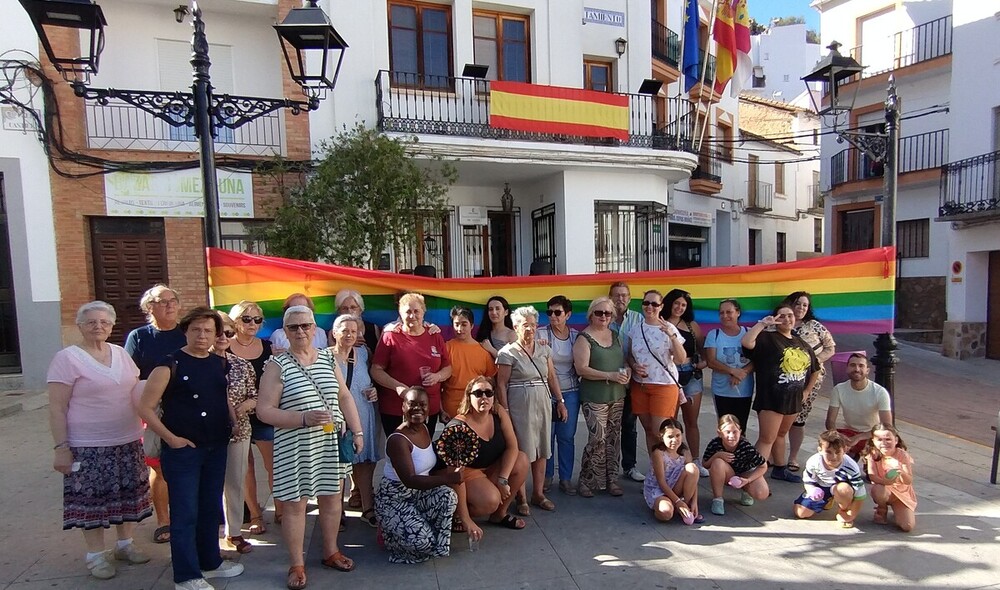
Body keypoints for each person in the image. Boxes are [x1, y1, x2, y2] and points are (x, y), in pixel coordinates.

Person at [256, 305, 364, 589]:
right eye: (294, 327)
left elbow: (344, 397)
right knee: (295, 506)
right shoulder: (277, 365)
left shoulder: (328, 359)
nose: (301, 331)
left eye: (305, 326)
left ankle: (331, 551)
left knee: (331, 499)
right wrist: (302, 418)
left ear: (315, 329)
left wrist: (358, 430)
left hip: (329, 443)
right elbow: (264, 411)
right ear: (285, 332)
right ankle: (296, 564)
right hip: (295, 446)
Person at [137, 307, 245, 590]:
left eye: (209, 330)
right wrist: (171, 439)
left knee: (210, 507)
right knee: (185, 512)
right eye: (196, 329)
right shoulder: (168, 364)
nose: (202, 335)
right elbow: (145, 408)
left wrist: (232, 421)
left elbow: (221, 397)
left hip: (215, 446)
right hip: (184, 450)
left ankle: (210, 562)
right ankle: (186, 575)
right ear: (185, 331)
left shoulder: (217, 362)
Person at [47, 301, 152, 580]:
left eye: (105, 322)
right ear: (80, 326)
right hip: (87, 445)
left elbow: (137, 390)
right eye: (92, 322)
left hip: (128, 439)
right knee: (91, 501)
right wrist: (61, 448)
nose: (99, 327)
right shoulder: (67, 359)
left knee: (127, 495)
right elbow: (56, 407)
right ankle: (95, 555)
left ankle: (125, 545)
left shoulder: (120, 353)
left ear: (112, 325)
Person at [124, 284, 185, 544]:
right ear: (150, 307)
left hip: (186, 406)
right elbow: (129, 373)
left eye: (173, 300)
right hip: (153, 409)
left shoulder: (187, 333)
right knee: (158, 468)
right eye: (162, 301)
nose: (170, 305)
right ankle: (163, 521)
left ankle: (188, 518)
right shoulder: (139, 336)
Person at [374, 387, 461, 564]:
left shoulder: (423, 429)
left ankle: (432, 543)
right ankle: (392, 536)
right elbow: (410, 480)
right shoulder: (398, 439)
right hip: (395, 498)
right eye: (412, 404)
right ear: (403, 407)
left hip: (418, 495)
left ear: (429, 409)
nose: (418, 409)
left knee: (448, 496)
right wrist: (448, 478)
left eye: (423, 405)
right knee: (422, 543)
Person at [496, 306, 567, 513]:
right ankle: (521, 497)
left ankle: (538, 494)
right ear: (516, 327)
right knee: (523, 450)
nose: (531, 329)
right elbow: (501, 384)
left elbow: (552, 377)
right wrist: (506, 412)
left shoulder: (544, 349)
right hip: (520, 404)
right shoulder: (507, 353)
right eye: (526, 325)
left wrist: (560, 400)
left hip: (543, 402)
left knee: (542, 447)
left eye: (534, 325)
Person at [742, 304, 821, 484]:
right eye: (782, 316)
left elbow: (815, 367)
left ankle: (779, 468)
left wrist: (807, 390)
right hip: (772, 397)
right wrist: (763, 324)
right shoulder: (767, 338)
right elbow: (747, 342)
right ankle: (753, 477)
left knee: (780, 435)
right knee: (767, 438)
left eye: (790, 315)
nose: (787, 319)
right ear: (776, 319)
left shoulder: (800, 341)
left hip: (794, 398)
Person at [447, 376, 530, 540]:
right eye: (478, 393)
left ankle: (499, 514)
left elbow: (513, 447)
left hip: (490, 466)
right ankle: (456, 514)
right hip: (466, 473)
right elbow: (455, 476)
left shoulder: (498, 413)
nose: (484, 397)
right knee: (491, 500)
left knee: (522, 459)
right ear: (469, 397)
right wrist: (466, 519)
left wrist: (503, 479)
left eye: (488, 393)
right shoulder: (458, 426)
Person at [371, 292, 452, 435]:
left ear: (423, 312)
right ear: (400, 313)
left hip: (428, 408)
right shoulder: (390, 336)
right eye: (408, 311)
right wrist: (397, 387)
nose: (412, 316)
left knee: (423, 453)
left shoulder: (435, 336)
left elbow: (448, 368)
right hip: (397, 408)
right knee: (399, 452)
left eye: (416, 311)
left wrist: (437, 376)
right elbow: (376, 370)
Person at [227, 300, 276, 533]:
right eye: (246, 319)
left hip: (264, 414)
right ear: (236, 321)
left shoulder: (268, 347)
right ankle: (255, 514)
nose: (252, 323)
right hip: (236, 417)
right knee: (244, 467)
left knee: (274, 464)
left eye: (257, 319)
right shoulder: (225, 347)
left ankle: (283, 509)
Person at [573, 297, 630, 498]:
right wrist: (609, 376)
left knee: (614, 437)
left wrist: (626, 372)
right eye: (599, 313)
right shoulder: (584, 338)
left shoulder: (615, 336)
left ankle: (611, 479)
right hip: (594, 396)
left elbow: (622, 361)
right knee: (598, 438)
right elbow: (582, 368)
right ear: (591, 315)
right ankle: (587, 479)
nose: (603, 317)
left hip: (616, 394)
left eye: (607, 313)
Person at [329, 314, 381, 528]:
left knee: (365, 462)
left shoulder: (364, 353)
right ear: (334, 333)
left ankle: (367, 508)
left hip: (363, 412)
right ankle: (337, 512)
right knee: (338, 466)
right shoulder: (324, 357)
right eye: (345, 330)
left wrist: (374, 391)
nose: (350, 334)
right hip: (337, 418)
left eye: (354, 330)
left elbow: (370, 379)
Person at [212, 312, 257, 555]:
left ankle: (235, 531)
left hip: (238, 432)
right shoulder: (195, 363)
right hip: (204, 434)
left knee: (235, 482)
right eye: (217, 332)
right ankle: (208, 532)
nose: (223, 337)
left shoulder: (242, 365)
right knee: (208, 484)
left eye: (228, 332)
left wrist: (246, 406)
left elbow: (256, 395)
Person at [628, 289, 686, 460]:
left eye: (654, 304)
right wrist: (634, 365)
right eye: (646, 303)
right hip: (640, 385)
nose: (650, 307)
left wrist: (672, 337)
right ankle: (656, 471)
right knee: (649, 431)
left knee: (661, 432)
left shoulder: (669, 328)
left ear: (661, 307)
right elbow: (630, 355)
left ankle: (671, 469)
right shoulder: (635, 328)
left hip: (663, 385)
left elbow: (681, 359)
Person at [783, 291, 836, 472]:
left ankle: (793, 457)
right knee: (781, 417)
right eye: (798, 304)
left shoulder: (815, 326)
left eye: (805, 305)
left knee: (799, 417)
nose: (801, 308)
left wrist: (815, 361)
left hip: (810, 380)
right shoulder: (779, 323)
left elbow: (830, 347)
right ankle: (776, 457)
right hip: (784, 379)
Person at [661, 289, 709, 476]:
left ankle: (695, 460)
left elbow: (704, 351)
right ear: (669, 303)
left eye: (683, 305)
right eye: (677, 303)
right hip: (667, 377)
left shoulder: (691, 325)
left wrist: (703, 363)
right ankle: (670, 461)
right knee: (669, 422)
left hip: (691, 375)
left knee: (691, 421)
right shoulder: (659, 323)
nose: (680, 307)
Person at [537, 295, 580, 495]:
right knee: (547, 435)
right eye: (550, 312)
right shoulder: (540, 334)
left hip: (570, 391)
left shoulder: (575, 336)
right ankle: (546, 477)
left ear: (568, 314)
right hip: (545, 391)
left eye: (558, 312)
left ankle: (565, 478)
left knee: (566, 436)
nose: (553, 316)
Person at [793, 430, 867, 528]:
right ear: (820, 450)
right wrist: (811, 490)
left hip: (841, 487)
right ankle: (828, 500)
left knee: (843, 490)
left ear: (845, 450)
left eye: (838, 452)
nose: (834, 457)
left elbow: (860, 494)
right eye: (828, 452)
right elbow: (808, 480)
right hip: (821, 486)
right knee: (801, 513)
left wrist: (851, 514)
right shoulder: (813, 462)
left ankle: (843, 509)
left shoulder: (851, 467)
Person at [825, 353, 893, 459]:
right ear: (847, 368)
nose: (857, 369)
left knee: (873, 472)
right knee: (827, 444)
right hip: (848, 434)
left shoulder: (880, 392)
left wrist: (860, 437)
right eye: (853, 365)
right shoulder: (839, 389)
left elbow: (887, 425)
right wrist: (838, 436)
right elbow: (830, 421)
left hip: (872, 434)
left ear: (867, 370)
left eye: (861, 366)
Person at [609, 281, 644, 482]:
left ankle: (629, 466)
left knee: (629, 425)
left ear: (629, 298)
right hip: (609, 381)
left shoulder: (639, 319)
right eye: (616, 295)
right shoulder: (603, 318)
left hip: (633, 381)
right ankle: (608, 468)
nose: (620, 299)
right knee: (610, 427)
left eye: (624, 295)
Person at [702, 414, 769, 516]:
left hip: (745, 473)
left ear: (740, 432)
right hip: (728, 473)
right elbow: (705, 464)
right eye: (727, 432)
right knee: (718, 463)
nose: (731, 436)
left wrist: (748, 480)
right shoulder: (715, 444)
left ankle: (746, 491)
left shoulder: (746, 447)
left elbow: (763, 466)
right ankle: (718, 499)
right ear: (719, 433)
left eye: (735, 432)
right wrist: (717, 455)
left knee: (762, 493)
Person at [703, 299, 754, 431]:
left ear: (737, 313)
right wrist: (732, 371)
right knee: (725, 428)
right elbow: (711, 362)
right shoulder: (714, 335)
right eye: (722, 313)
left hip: (744, 390)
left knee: (741, 427)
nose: (725, 316)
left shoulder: (749, 333)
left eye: (729, 312)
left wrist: (742, 373)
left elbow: (757, 360)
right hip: (722, 390)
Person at [644, 418, 702, 525]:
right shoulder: (659, 453)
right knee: (666, 513)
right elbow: (661, 482)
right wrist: (678, 502)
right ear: (661, 437)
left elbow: (694, 479)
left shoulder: (685, 452)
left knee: (692, 468)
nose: (674, 440)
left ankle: (686, 504)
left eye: (677, 436)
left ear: (682, 435)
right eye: (670, 437)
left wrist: (695, 502)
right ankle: (674, 506)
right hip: (659, 490)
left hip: (676, 486)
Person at [443, 306, 497, 422]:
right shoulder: (446, 348)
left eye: (464, 324)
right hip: (451, 408)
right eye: (456, 324)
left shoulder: (483, 351)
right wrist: (440, 409)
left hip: (477, 406)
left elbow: (490, 382)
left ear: (472, 325)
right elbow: (439, 383)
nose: (459, 329)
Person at [864, 423, 916, 532]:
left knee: (907, 526)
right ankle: (882, 508)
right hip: (884, 490)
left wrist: (901, 472)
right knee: (878, 489)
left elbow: (908, 480)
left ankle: (898, 510)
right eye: (879, 440)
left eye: (888, 439)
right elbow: (872, 476)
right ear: (873, 441)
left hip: (901, 493)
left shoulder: (902, 455)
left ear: (895, 440)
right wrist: (885, 481)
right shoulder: (873, 454)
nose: (884, 443)